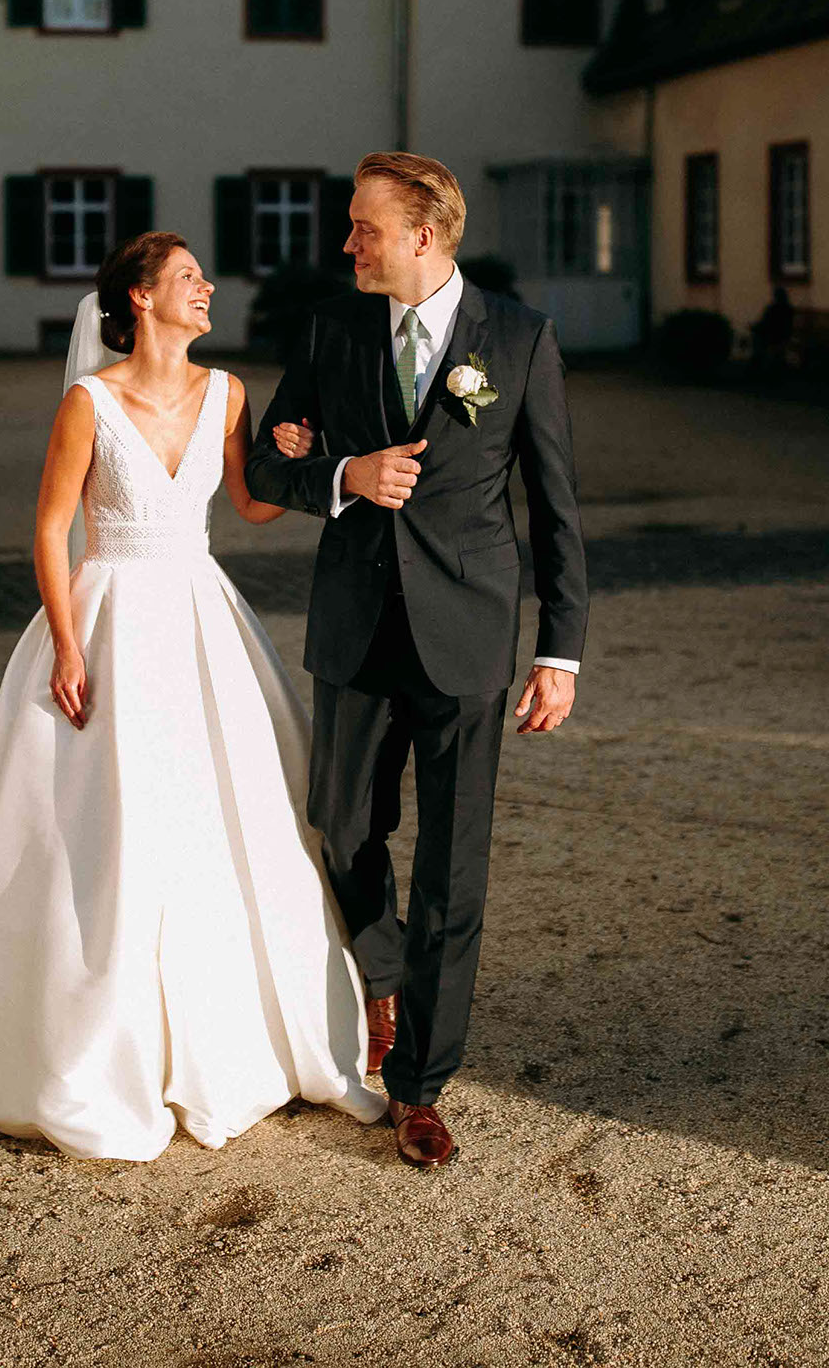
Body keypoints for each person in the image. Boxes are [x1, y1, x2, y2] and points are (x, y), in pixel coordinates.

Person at [0, 232, 385, 1160]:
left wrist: (294, 454)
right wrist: (67, 644)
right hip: (109, 613)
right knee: (110, 827)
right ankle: (95, 1043)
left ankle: (243, 1037)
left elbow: (252, 504)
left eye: (202, 278)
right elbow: (53, 525)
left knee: (233, 815)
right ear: (140, 299)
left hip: (200, 616)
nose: (207, 288)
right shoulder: (88, 403)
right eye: (188, 278)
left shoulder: (227, 394)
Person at [245, 151, 589, 1169]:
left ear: (423, 236)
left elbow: (556, 506)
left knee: (453, 863)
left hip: (470, 635)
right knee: (340, 820)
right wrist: (343, 472)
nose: (346, 242)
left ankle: (420, 1084)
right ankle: (382, 971)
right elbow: (267, 465)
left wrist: (559, 649)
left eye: (363, 226)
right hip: (354, 623)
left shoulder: (519, 339)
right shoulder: (332, 327)